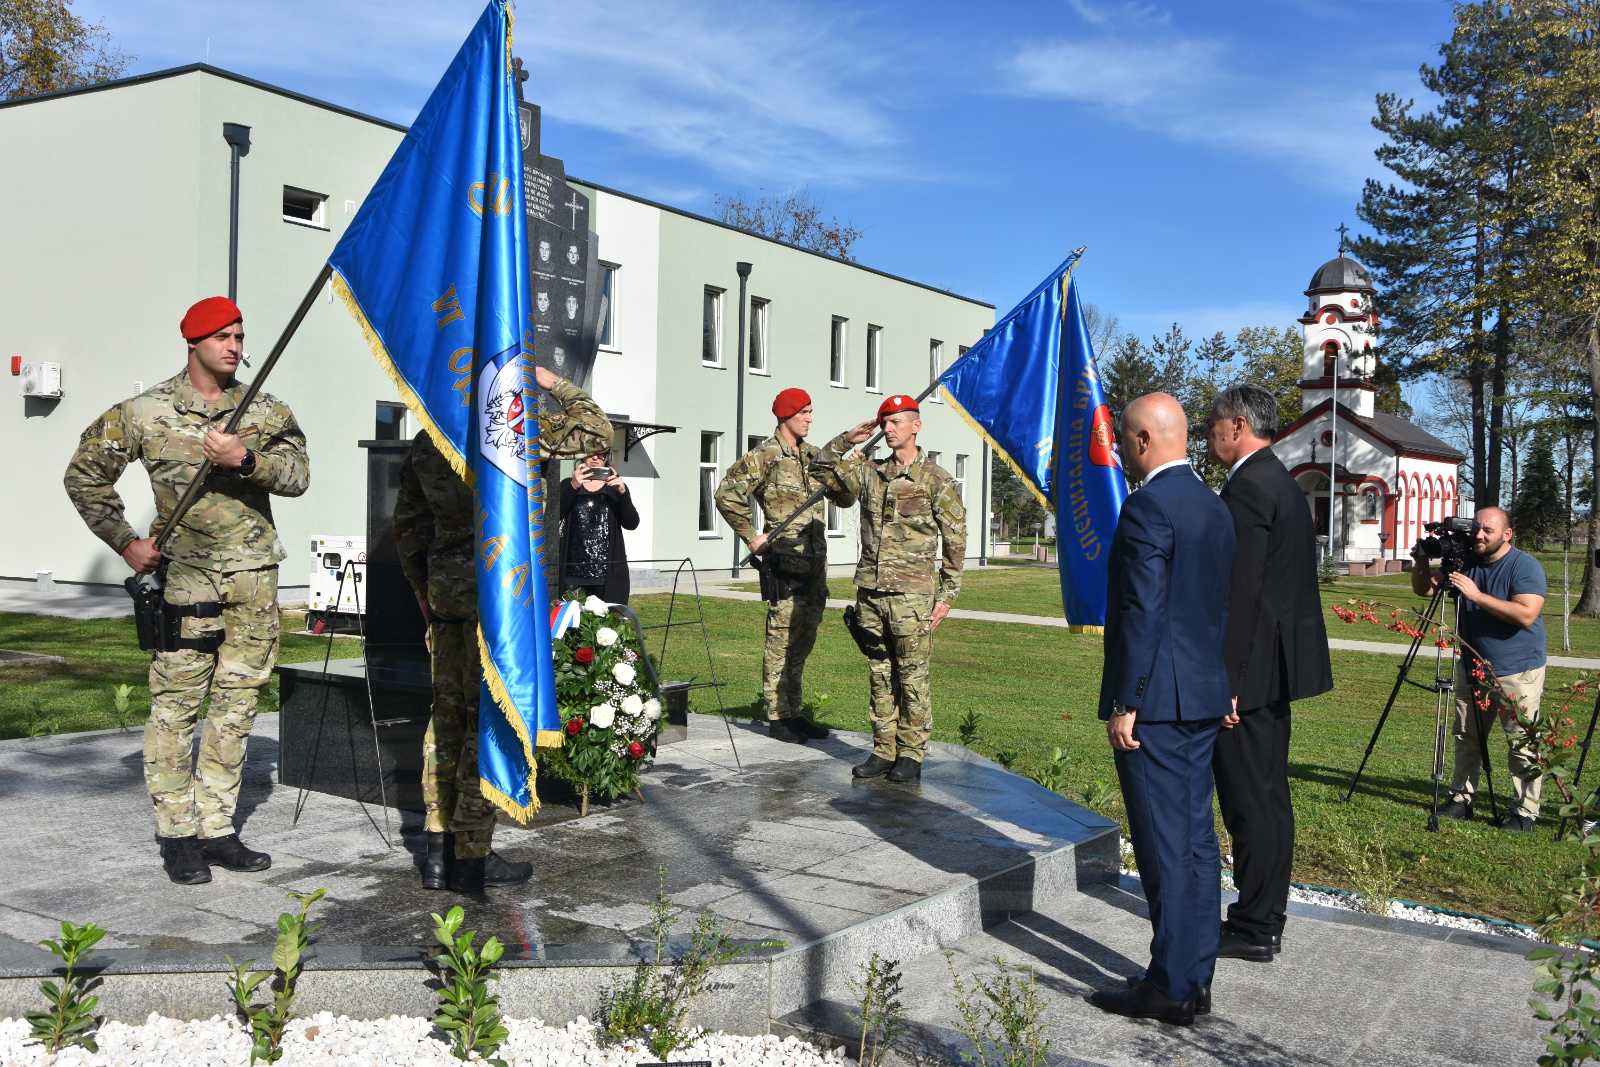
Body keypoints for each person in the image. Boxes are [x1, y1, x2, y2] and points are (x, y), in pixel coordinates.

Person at [63, 296, 309, 885]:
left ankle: (217, 829)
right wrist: (126, 542)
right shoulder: (145, 412)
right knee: (176, 708)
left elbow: (299, 476)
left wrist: (245, 458)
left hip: (253, 578)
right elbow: (84, 475)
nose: (234, 346)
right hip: (185, 579)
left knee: (237, 706)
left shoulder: (266, 410)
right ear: (193, 341)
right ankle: (177, 834)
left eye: (240, 335)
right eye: (221, 335)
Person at [393, 366, 612, 892]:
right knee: (487, 718)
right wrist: (548, 379)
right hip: (504, 592)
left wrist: (424, 588)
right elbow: (596, 429)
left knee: (444, 720)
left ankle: (438, 851)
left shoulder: (427, 441)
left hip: (449, 593)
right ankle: (472, 851)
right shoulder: (511, 428)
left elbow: (408, 526)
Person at [1090, 392, 1234, 1026]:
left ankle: (1171, 985)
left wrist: (1129, 702)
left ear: (1144, 441)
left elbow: (1140, 613)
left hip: (1159, 706)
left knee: (1164, 846)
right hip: (1201, 695)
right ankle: (1193, 975)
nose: (1119, 448)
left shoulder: (1148, 507)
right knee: (1198, 842)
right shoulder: (1212, 505)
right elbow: (1221, 609)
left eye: (1124, 438)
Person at [1204, 384, 1332, 963]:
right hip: (1273, 666)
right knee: (1269, 795)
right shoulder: (1276, 478)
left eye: (1212, 427)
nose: (1209, 437)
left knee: (1251, 799)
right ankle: (1264, 916)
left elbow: (1243, 593)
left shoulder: (1251, 487)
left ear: (1236, 426)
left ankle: (1255, 924)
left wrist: (1229, 681)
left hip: (1250, 673)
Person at [810, 394, 965, 783]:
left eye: (897, 421)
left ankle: (911, 754)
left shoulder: (935, 479)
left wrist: (946, 596)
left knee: (912, 675)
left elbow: (956, 539)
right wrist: (848, 439)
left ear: (917, 425)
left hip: (913, 596)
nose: (889, 429)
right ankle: (883, 749)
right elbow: (820, 471)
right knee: (879, 671)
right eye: (885, 423)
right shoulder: (869, 472)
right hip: (871, 592)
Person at [715, 388, 855, 743]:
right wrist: (750, 535)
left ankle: (794, 711)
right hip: (784, 563)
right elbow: (726, 494)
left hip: (814, 565)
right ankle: (778, 715)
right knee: (781, 639)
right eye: (804, 412)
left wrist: (843, 457)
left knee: (803, 639)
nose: (810, 418)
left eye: (811, 412)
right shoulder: (765, 456)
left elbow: (845, 497)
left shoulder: (813, 456)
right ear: (786, 415)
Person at [1411, 506, 1548, 832]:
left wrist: (1476, 595)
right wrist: (1420, 562)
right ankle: (1461, 799)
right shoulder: (1465, 562)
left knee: (1522, 742)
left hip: (1516, 669)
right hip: (1471, 664)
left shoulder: (1524, 566)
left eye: (1488, 530)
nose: (1479, 535)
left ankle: (1525, 812)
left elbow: (1526, 614)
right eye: (1477, 529)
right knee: (1466, 735)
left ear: (1507, 534)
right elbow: (1425, 589)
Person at [559, 451, 639, 605]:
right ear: (583, 455)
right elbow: (554, 516)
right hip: (572, 575)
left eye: (601, 454)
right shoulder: (568, 484)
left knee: (608, 626)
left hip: (608, 577)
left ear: (607, 457)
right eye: (591, 453)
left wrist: (622, 493)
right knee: (573, 625)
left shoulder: (614, 488)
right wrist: (573, 486)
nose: (595, 458)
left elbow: (632, 523)